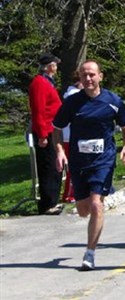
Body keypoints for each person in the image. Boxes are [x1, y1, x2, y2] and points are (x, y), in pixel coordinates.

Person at [52, 60, 125, 271]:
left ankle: (90, 253)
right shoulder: (72, 102)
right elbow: (57, 128)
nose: (88, 79)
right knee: (83, 210)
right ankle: (91, 231)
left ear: (100, 76)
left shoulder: (113, 100)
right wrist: (60, 151)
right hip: (79, 161)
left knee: (97, 204)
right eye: (84, 75)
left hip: (103, 160)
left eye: (92, 75)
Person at [29, 53, 64, 215]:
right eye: (55, 65)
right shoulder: (39, 83)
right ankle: (47, 204)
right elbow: (39, 110)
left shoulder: (48, 82)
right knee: (48, 166)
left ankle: (53, 200)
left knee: (55, 165)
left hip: (54, 130)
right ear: (49, 66)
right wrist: (42, 134)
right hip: (46, 131)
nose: (56, 68)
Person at [61, 70, 84, 203]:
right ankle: (69, 194)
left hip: (75, 135)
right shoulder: (73, 95)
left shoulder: (73, 94)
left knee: (78, 165)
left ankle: (76, 191)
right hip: (70, 136)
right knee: (73, 166)